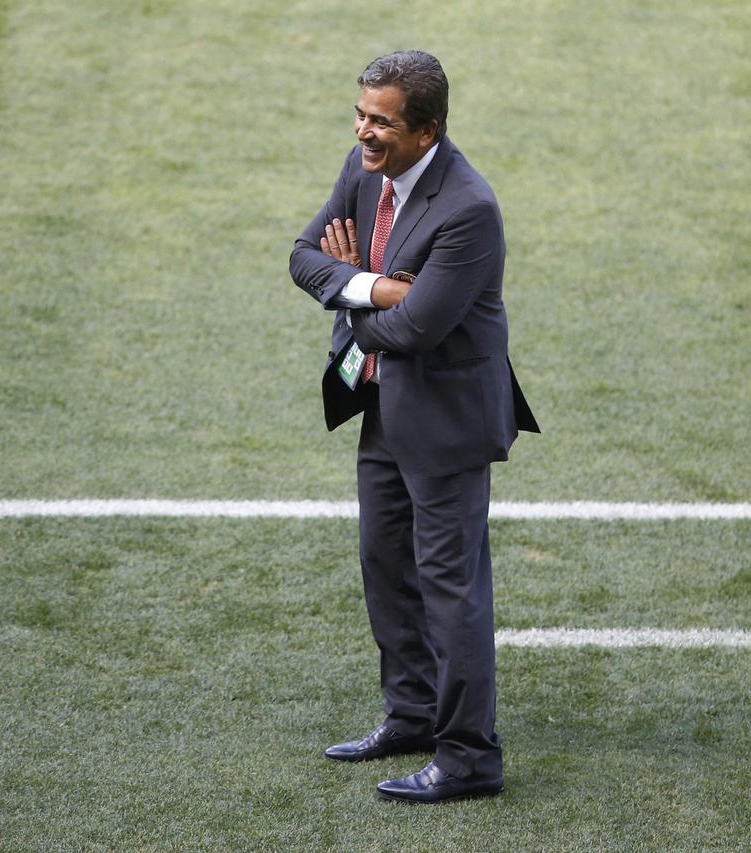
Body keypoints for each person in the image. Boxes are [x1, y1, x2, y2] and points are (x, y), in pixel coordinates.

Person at [289, 50, 538, 804]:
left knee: (449, 587)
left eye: (381, 122)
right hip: (385, 407)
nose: (364, 132)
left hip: (448, 420)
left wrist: (358, 298)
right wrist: (376, 285)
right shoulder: (364, 169)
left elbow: (420, 328)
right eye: (361, 114)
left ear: (427, 130)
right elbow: (304, 257)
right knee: (385, 564)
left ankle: (468, 757)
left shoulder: (469, 209)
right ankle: (412, 714)